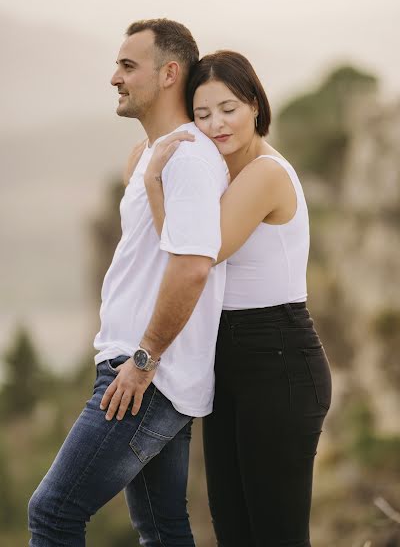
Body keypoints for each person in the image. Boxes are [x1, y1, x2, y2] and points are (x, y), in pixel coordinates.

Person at [28, 19, 229, 547]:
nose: (113, 78)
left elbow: (193, 267)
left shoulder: (187, 158)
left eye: (127, 65)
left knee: (52, 514)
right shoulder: (153, 158)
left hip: (145, 375)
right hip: (146, 371)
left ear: (169, 73)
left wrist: (144, 361)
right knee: (161, 529)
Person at [143, 50, 332, 547]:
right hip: (230, 362)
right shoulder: (227, 175)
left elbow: (198, 253)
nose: (216, 124)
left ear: (254, 103)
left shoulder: (267, 174)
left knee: (276, 535)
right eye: (201, 115)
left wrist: (154, 186)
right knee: (234, 531)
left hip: (279, 360)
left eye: (227, 108)